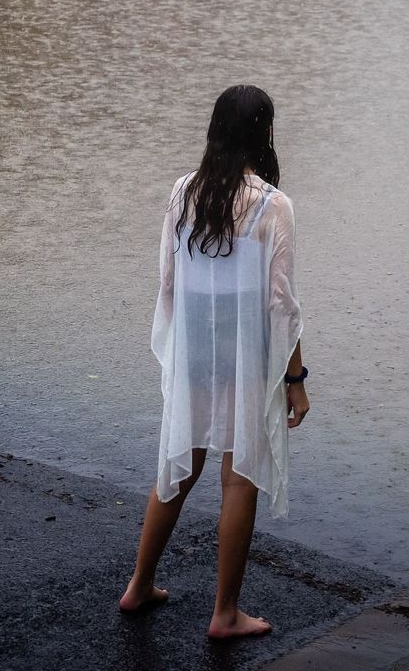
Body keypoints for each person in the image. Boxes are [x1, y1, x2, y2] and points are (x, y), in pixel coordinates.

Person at [119, 84, 309, 640]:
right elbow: (282, 306)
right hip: (245, 350)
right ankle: (224, 613)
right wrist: (294, 379)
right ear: (263, 134)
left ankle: (138, 586)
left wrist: (187, 350)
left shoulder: (184, 192)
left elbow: (169, 283)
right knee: (239, 476)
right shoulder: (273, 205)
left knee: (181, 462)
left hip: (197, 348)